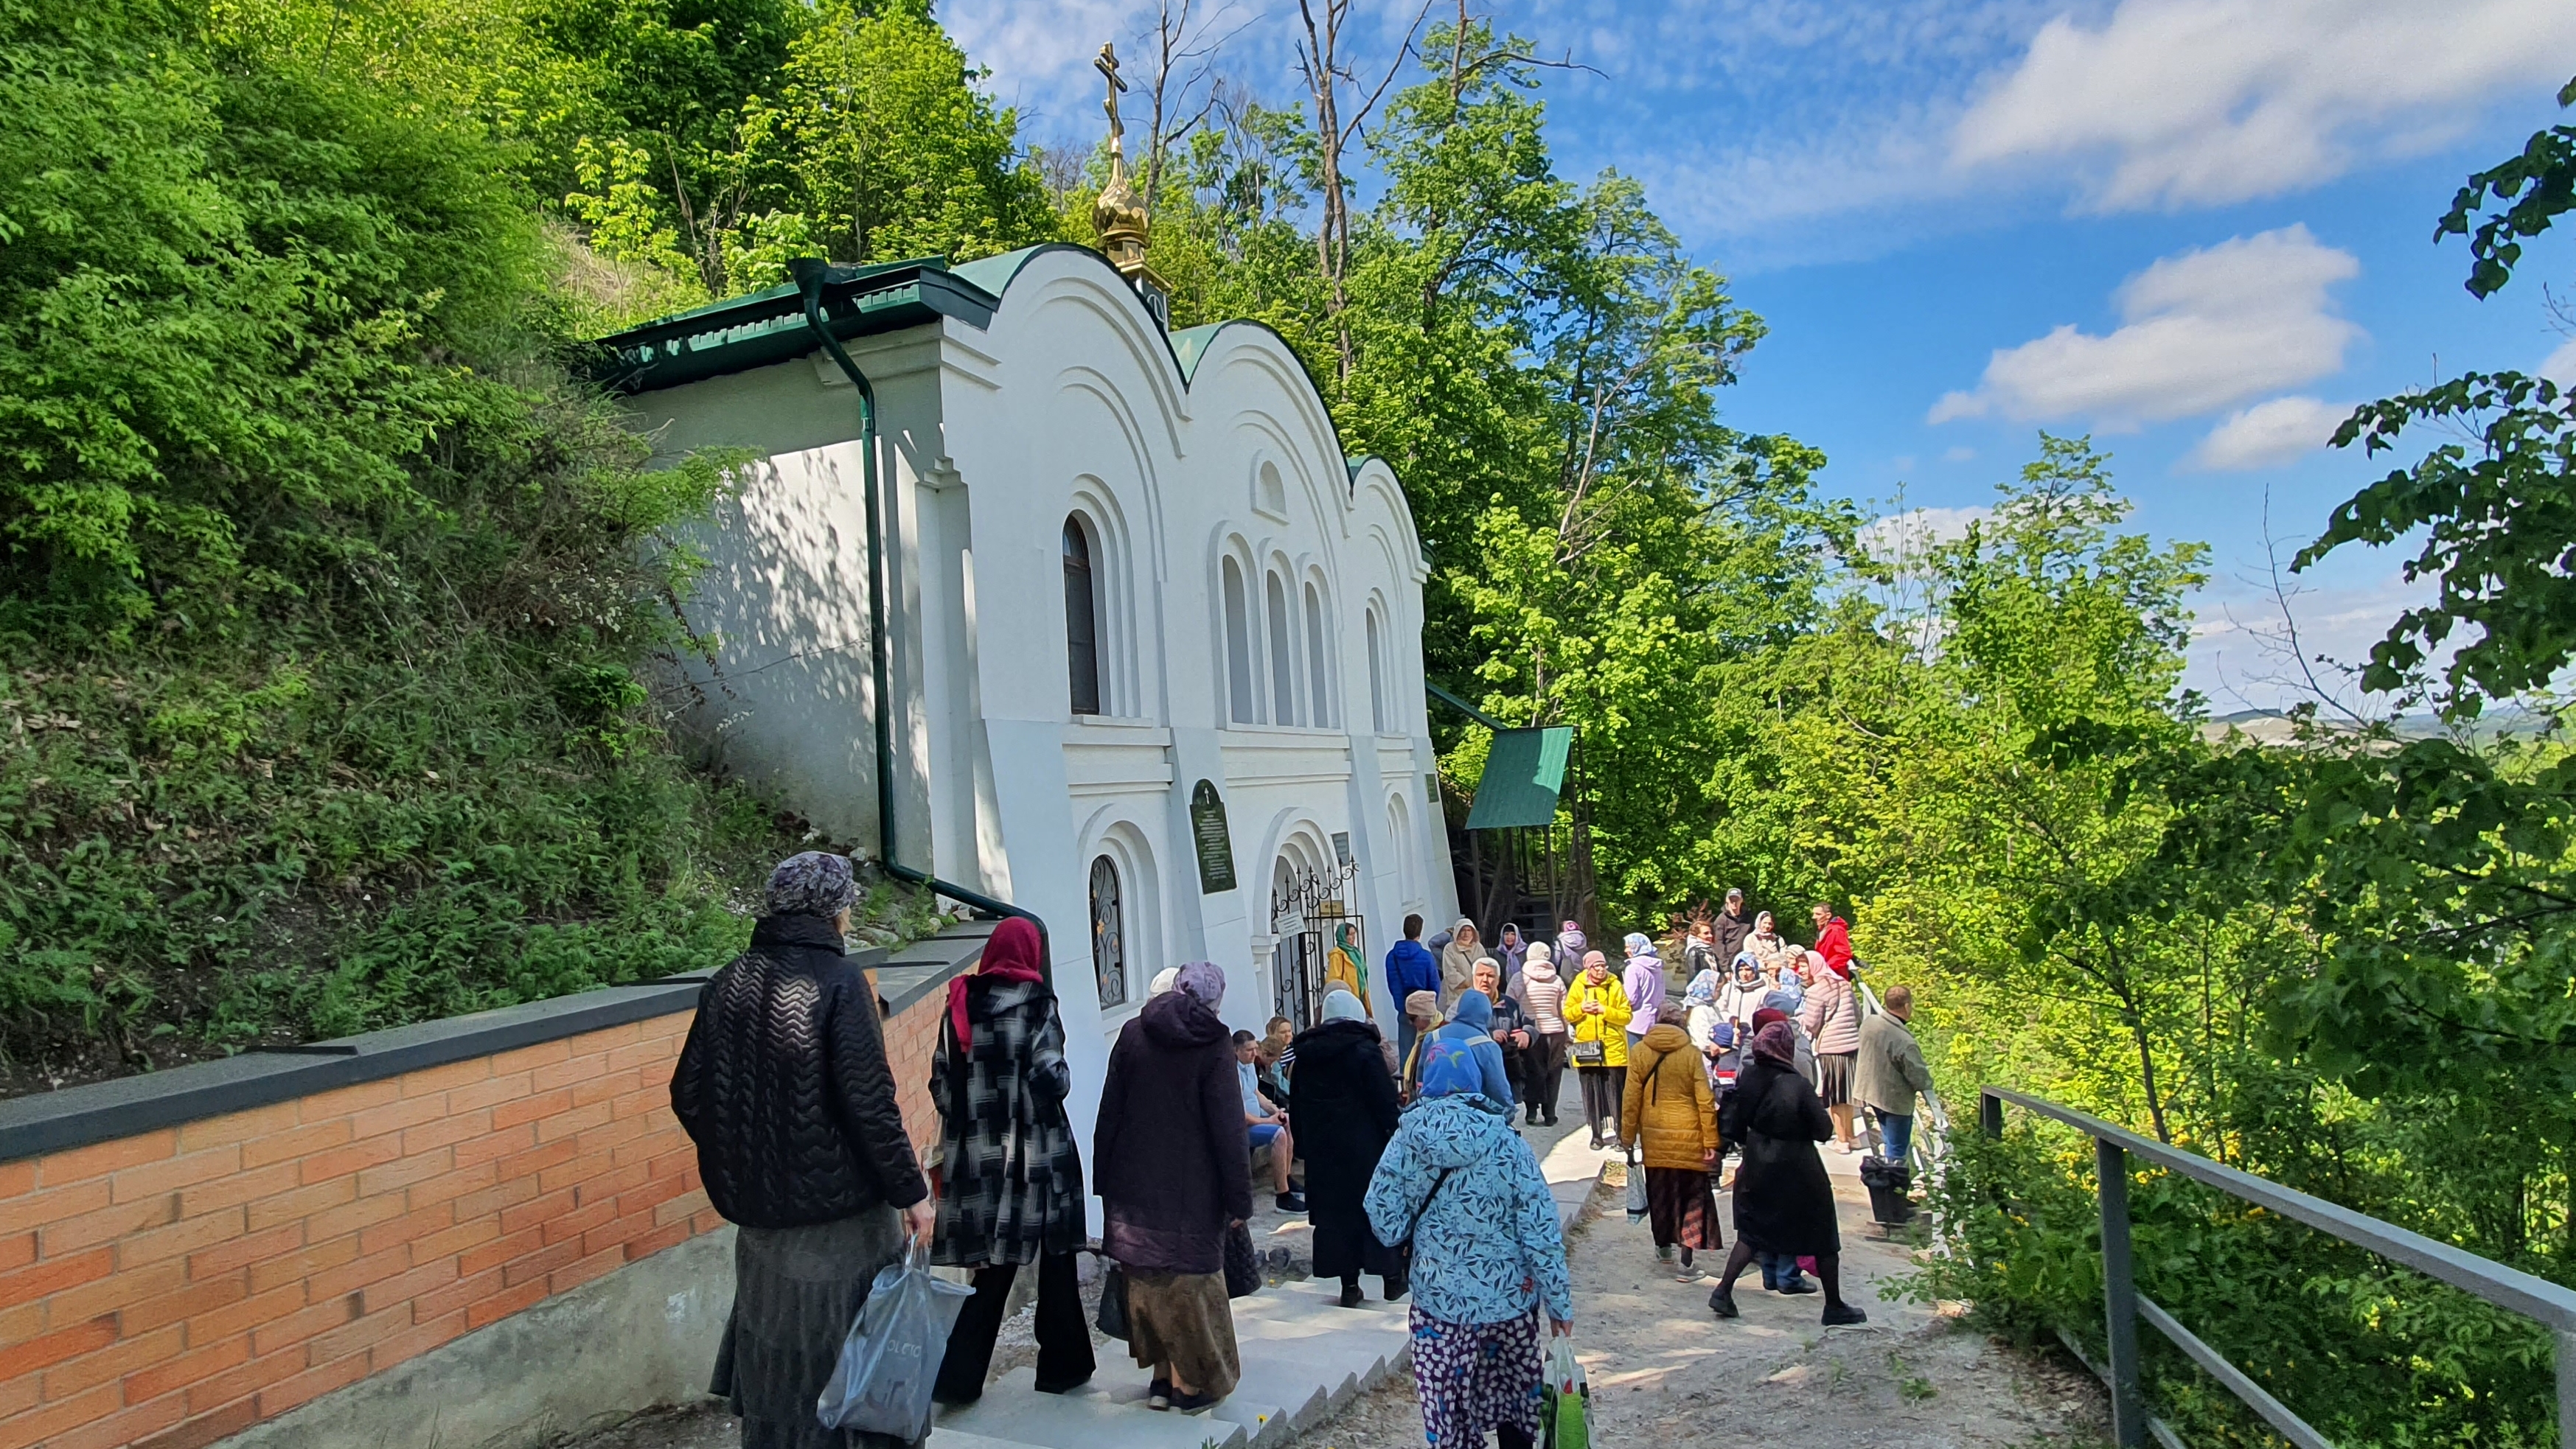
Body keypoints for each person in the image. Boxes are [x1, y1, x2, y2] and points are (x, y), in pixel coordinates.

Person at [670, 852, 935, 1449]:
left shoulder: (726, 982)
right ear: (834, 910)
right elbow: (870, 1104)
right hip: (841, 1230)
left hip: (762, 1233)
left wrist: (744, 1156)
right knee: (846, 1376)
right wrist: (913, 1194)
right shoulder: (840, 984)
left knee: (777, 1377)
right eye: (847, 903)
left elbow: (688, 1092)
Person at [1364, 1047, 1574, 1449]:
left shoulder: (1406, 1140)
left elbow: (1384, 1221)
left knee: (1450, 1413)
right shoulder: (1507, 1142)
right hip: (1509, 1303)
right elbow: (1541, 1230)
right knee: (1516, 1404)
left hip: (1439, 1307)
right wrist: (1559, 1304)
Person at [927, 918, 1093, 1407]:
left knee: (992, 1268)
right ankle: (1063, 1368)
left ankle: (958, 1378)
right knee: (1057, 1258)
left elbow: (941, 1083)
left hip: (978, 1156)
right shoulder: (1037, 1005)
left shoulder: (960, 1001)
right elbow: (1052, 1077)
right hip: (1035, 1152)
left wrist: (975, 1117)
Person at [1094, 962, 1249, 1412]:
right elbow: (1227, 1127)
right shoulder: (1214, 1041)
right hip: (1192, 1189)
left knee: (1144, 1284)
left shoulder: (1131, 1033)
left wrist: (1103, 1178)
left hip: (1133, 1187)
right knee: (1191, 1287)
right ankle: (1188, 1384)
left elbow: (1110, 1112)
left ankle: (1161, 1380)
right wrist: (1238, 1197)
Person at [1708, 1022, 1865, 1326]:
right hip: (1798, 1166)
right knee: (1822, 1233)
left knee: (1753, 1232)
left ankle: (1723, 1291)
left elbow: (1734, 1123)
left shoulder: (1749, 1076)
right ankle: (1833, 1305)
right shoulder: (1797, 1085)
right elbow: (1823, 1131)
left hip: (1756, 1163)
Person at [1289, 989, 1407, 1307]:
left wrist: (1302, 1145)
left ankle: (1349, 1285)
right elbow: (1384, 1101)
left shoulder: (1305, 1059)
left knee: (1335, 1217)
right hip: (1365, 1149)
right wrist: (1394, 1135)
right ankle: (1392, 1278)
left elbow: (1297, 1106)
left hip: (1323, 1153)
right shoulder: (1365, 1052)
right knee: (1375, 1211)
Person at [1622, 1000, 1722, 1281]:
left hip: (1654, 1137)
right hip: (1689, 1137)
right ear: (1681, 1025)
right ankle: (1687, 1263)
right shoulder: (1691, 1054)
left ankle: (1663, 1248)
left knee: (1661, 1193)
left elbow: (1631, 1099)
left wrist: (1628, 1137)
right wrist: (1711, 1141)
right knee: (1691, 1198)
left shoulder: (1640, 1052)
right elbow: (1705, 1099)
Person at [1855, 984, 1935, 1164]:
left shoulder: (1870, 1023)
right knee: (1897, 1150)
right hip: (1895, 1101)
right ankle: (1894, 1184)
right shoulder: (1905, 1041)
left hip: (1873, 1093)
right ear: (1907, 1006)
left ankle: (1888, 1176)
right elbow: (1920, 1078)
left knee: (1888, 1137)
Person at [1564, 950, 1632, 1150]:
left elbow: (1626, 1016)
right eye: (1597, 966)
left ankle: (1621, 1135)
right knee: (1591, 1092)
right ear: (1588, 968)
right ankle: (1597, 1135)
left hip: (1613, 1047)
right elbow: (1568, 1012)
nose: (1601, 970)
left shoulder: (1615, 985)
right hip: (1587, 1047)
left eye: (1603, 966)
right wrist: (1582, 1008)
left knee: (1616, 1093)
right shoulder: (1579, 985)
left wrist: (1605, 1011)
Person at [1799, 949, 1862, 1153]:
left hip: (1831, 1047)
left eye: (1803, 966)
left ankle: (1841, 1140)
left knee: (1834, 1096)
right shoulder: (1844, 985)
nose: (1800, 970)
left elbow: (1811, 1023)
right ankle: (1852, 1136)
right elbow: (1858, 1014)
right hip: (1852, 1044)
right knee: (1849, 1093)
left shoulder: (1815, 992)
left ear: (1814, 966)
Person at [1234, 1030, 1305, 1210]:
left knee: (1288, 1121)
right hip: (1243, 1126)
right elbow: (1240, 1115)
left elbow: (1257, 1094)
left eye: (1255, 1048)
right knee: (1278, 1134)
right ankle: (1282, 1196)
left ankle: (1286, 1177)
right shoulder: (1231, 1072)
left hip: (1257, 1117)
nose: (1255, 1054)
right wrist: (1269, 1122)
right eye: (1249, 1050)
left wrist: (1275, 1111)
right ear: (1236, 1051)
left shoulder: (1250, 1066)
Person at [1421, 988, 1517, 1110]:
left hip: (1434, 1112)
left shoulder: (1433, 1037)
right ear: (1487, 1014)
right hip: (1473, 1114)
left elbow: (1421, 1077)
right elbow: (1498, 1087)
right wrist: (1508, 1110)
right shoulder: (1488, 1046)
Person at [1507, 943, 1568, 1127]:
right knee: (1554, 1073)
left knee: (1532, 1072)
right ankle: (1550, 1114)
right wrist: (1568, 1032)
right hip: (1555, 1031)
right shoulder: (1556, 980)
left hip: (1530, 1032)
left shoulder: (1520, 978)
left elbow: (1510, 1004)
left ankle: (1532, 1111)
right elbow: (1563, 1008)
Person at [1471, 959, 1532, 1113]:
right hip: (1476, 1077)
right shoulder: (1463, 1004)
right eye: (1480, 975)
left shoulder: (1510, 1004)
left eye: (1490, 976)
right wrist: (1489, 1035)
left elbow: (1530, 1024)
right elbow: (1456, 1033)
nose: (1485, 980)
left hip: (1506, 1075)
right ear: (1473, 978)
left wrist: (1527, 1034)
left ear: (1498, 980)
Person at [1385, 915, 1441, 1066]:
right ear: (1420, 932)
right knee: (1428, 1051)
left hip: (1405, 1009)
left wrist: (1403, 1007)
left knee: (1406, 1052)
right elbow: (1434, 985)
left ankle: (1406, 1085)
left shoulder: (1392, 957)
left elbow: (1393, 985)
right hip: (1425, 1011)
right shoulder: (1426, 957)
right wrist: (1430, 1005)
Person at [1620, 932, 1665, 1056]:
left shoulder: (1633, 968)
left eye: (1628, 946)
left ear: (1636, 947)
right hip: (1656, 1019)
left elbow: (1630, 998)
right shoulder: (1658, 967)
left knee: (1638, 1062)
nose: (1626, 950)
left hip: (1637, 1022)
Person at [1398, 991, 1445, 1099]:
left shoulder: (1437, 1037)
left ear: (1425, 1016)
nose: (1410, 1023)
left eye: (1412, 1019)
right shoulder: (1424, 1035)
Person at [1435, 918, 1481, 1013]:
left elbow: (1484, 966)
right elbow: (1450, 972)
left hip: (1476, 994)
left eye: (1469, 930)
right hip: (1456, 997)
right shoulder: (1450, 949)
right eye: (1463, 930)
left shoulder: (1478, 947)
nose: (1466, 933)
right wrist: (1465, 983)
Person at [1810, 904, 1855, 980]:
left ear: (1828, 915)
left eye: (1818, 914)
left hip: (1836, 976)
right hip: (1825, 976)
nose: (1814, 917)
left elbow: (1843, 954)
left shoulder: (1836, 930)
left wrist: (1825, 968)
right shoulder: (1823, 930)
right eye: (1814, 914)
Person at [1741, 910, 1790, 974]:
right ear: (1759, 923)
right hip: (1759, 972)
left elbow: (1785, 957)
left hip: (1777, 971)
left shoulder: (1778, 939)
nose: (1767, 926)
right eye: (1765, 923)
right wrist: (1765, 965)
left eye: (1770, 924)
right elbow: (1749, 958)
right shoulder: (1750, 938)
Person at [1714, 889, 1752, 966]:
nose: (1734, 903)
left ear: (1741, 900)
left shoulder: (1748, 918)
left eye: (1737, 900)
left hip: (1746, 960)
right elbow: (1718, 944)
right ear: (1727, 900)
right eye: (1731, 900)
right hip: (1729, 962)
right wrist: (1725, 967)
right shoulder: (1721, 920)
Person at [1494, 922, 1529, 986]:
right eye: (1506, 934)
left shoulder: (1526, 952)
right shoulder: (1497, 953)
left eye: (1513, 934)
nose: (1509, 937)